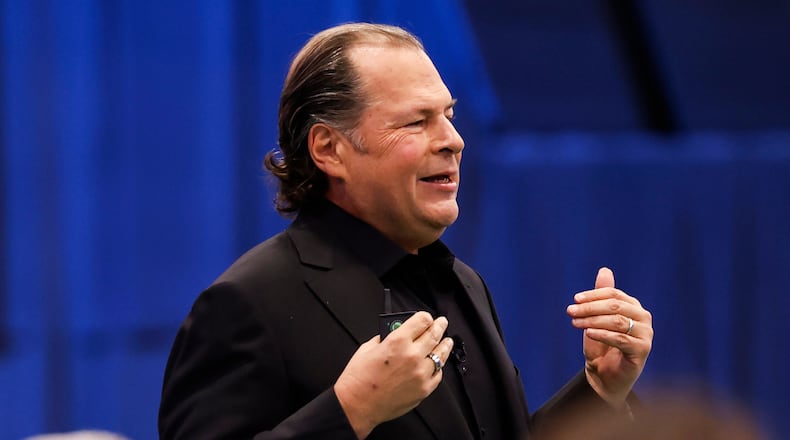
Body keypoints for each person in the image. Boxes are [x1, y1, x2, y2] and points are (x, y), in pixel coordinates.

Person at [158, 22, 653, 439]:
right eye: (417, 122)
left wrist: (599, 390)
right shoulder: (248, 304)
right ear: (330, 150)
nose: (454, 140)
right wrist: (349, 410)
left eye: (449, 115)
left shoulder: (461, 283)